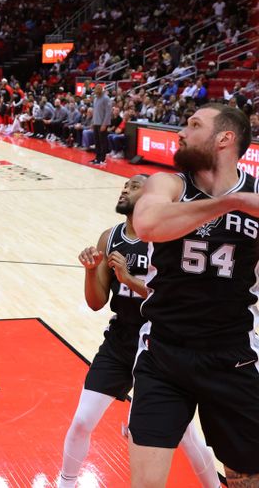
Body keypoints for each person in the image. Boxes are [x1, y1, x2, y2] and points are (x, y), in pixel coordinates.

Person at [58, 175, 218, 488]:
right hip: (121, 340)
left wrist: (129, 279)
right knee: (81, 421)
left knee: (186, 435)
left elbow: (175, 298)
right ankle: (65, 483)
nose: (125, 189)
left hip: (163, 345)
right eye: (125, 185)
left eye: (134, 186)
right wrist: (92, 272)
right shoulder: (110, 236)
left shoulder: (171, 239)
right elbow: (96, 303)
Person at [129, 103, 259, 487]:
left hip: (231, 354)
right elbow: (148, 223)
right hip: (164, 352)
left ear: (225, 138)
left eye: (193, 124)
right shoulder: (169, 185)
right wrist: (227, 204)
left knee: (246, 478)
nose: (181, 132)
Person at [90, 84, 112, 165]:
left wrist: (105, 124)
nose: (97, 90)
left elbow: (108, 113)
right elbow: (94, 111)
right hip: (96, 123)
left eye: (99, 89)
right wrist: (92, 122)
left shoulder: (106, 98)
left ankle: (103, 159)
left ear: (102, 89)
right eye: (96, 89)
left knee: (102, 142)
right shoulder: (95, 99)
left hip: (102, 124)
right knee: (97, 142)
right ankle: (97, 158)